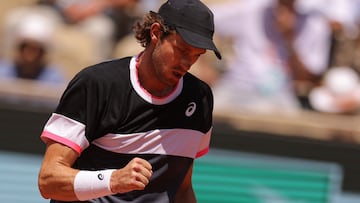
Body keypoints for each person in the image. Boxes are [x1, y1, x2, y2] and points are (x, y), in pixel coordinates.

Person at [37, 0, 221, 202]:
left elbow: (182, 188)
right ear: (156, 33)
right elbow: (49, 181)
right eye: (182, 50)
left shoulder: (199, 98)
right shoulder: (97, 84)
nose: (187, 63)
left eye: (197, 55)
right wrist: (113, 180)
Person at [210, 0, 332, 114]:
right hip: (236, 89)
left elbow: (308, 78)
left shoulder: (315, 24)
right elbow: (206, 18)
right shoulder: (252, 9)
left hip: (279, 97)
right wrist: (204, 67)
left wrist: (289, 38)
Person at [0, 10, 66, 84]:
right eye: (26, 47)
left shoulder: (53, 78)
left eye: (36, 49)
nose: (30, 54)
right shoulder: (3, 72)